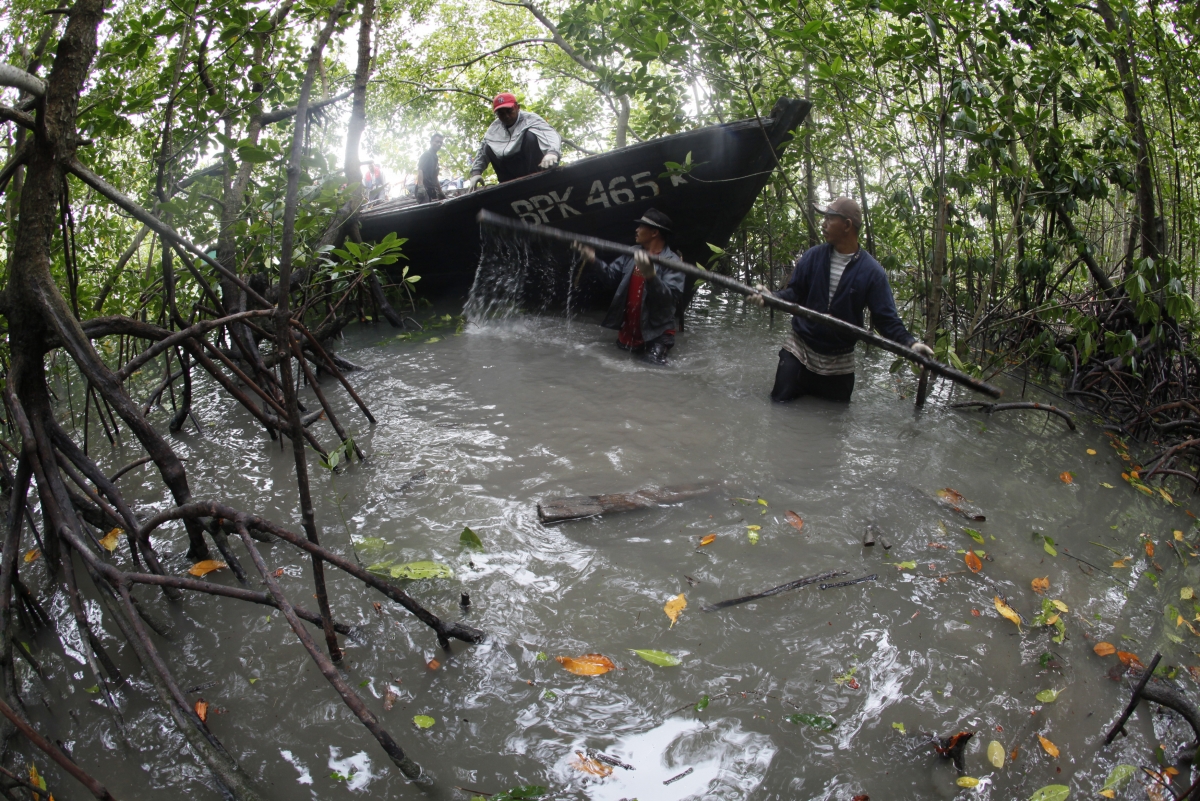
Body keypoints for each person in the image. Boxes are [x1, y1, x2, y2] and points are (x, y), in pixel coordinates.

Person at [750, 197, 934, 402]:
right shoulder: (812, 257)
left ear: (847, 225)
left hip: (839, 363)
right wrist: (771, 297)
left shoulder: (872, 272)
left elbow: (886, 320)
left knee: (835, 424)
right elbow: (794, 294)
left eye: (830, 219)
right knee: (779, 408)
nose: (823, 224)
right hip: (799, 350)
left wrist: (911, 345)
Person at [576, 209, 684, 365]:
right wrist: (593, 260)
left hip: (656, 335)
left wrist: (651, 276)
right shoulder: (631, 253)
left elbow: (669, 300)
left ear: (654, 232)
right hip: (628, 333)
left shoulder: (672, 262)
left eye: (641, 227)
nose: (636, 230)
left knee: (652, 367)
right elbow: (611, 278)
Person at [467, 92, 562, 189]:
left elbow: (550, 134)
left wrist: (552, 152)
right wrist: (476, 173)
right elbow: (483, 150)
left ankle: (537, 178)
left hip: (533, 167)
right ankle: (507, 187)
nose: (506, 116)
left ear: (517, 107)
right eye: (501, 113)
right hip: (510, 172)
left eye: (509, 111)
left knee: (531, 136)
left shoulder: (530, 119)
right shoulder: (494, 129)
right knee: (488, 147)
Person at [415, 133, 446, 203]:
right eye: (437, 142)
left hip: (430, 189)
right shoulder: (427, 154)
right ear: (431, 142)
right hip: (423, 188)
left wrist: (440, 191)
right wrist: (420, 187)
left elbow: (435, 176)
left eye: (441, 143)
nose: (439, 144)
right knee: (425, 211)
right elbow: (420, 170)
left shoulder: (435, 157)